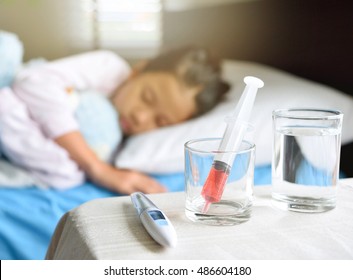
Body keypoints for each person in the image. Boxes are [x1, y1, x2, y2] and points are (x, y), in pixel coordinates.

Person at [0, 45, 229, 194]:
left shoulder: (124, 145)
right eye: (146, 97)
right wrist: (95, 166)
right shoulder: (109, 68)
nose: (141, 117)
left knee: (65, 174)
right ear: (138, 71)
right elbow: (35, 81)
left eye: (161, 123)